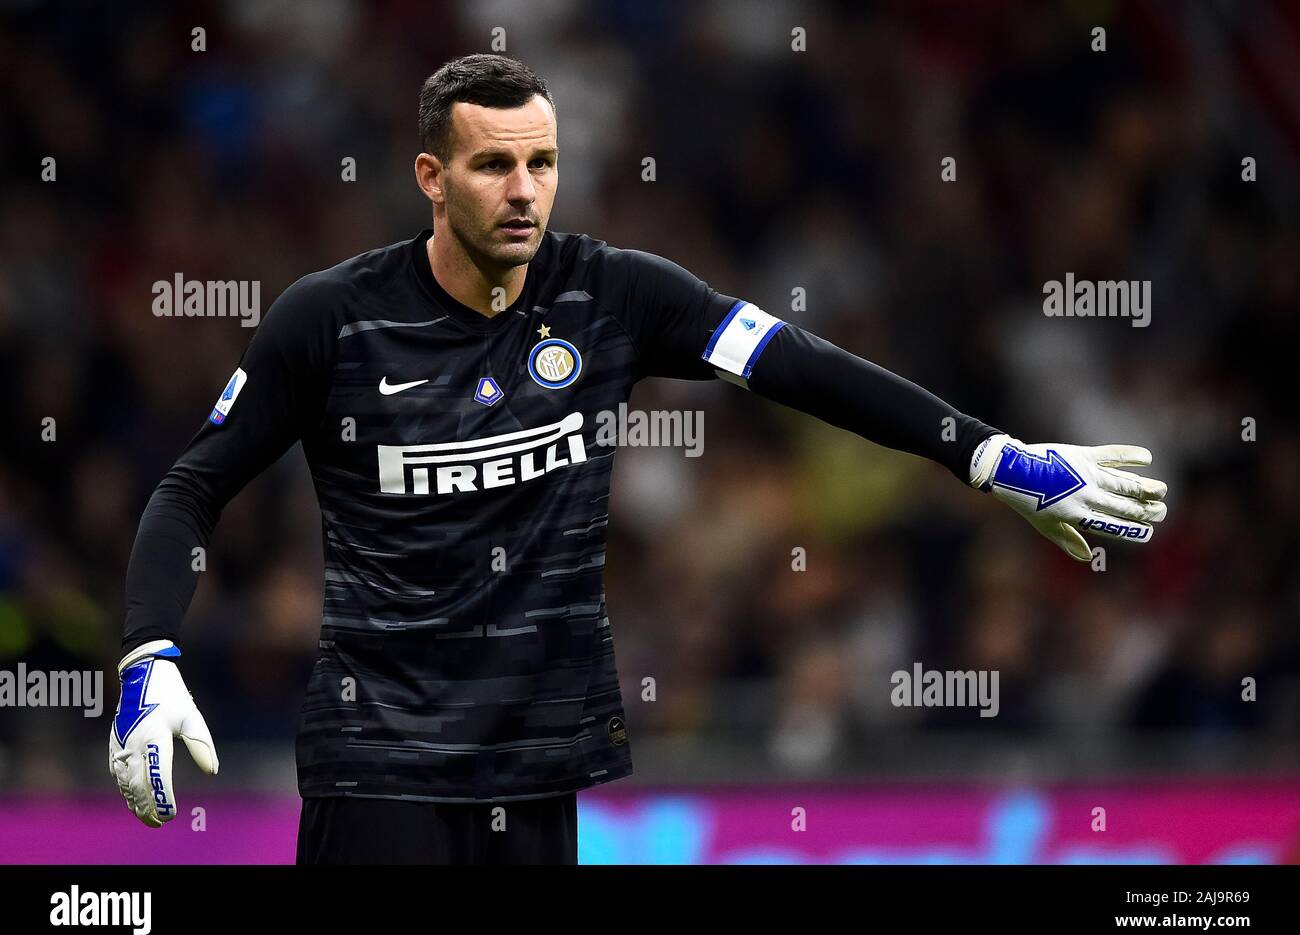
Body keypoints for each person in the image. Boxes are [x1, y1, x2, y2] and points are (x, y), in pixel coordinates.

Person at [109, 54, 1168, 864]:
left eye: (541, 162)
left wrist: (990, 457)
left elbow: (806, 367)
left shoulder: (615, 295)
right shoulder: (329, 320)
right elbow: (191, 485)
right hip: (379, 770)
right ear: (431, 177)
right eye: (492, 165)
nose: (524, 189)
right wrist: (147, 656)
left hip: (537, 772)